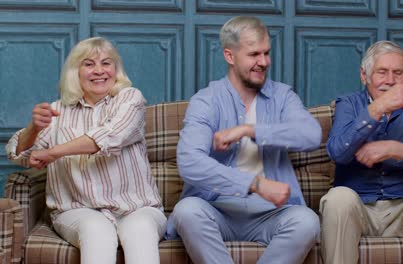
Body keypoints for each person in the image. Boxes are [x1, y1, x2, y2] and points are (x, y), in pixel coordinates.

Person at [165, 16, 322, 263]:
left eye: (267, 53)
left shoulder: (282, 96)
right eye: (254, 54)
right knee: (187, 211)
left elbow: (311, 135)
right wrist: (255, 184)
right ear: (230, 56)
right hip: (219, 209)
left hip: (271, 213)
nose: (263, 62)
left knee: (307, 221)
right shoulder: (207, 100)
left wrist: (250, 130)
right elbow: (189, 162)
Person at [6, 37, 166, 264]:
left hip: (136, 208)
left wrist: (53, 153)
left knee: (140, 229)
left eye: (106, 63)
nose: (99, 71)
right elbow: (20, 156)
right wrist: (34, 128)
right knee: (96, 229)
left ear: (116, 70)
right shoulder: (57, 110)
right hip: (77, 210)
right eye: (89, 64)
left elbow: (110, 136)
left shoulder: (130, 98)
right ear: (75, 72)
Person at [321, 40, 403, 264]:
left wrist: (397, 150)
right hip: (357, 210)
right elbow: (337, 152)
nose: (390, 80)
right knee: (337, 198)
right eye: (382, 72)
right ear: (364, 76)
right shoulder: (348, 104)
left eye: (398, 73)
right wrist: (377, 109)